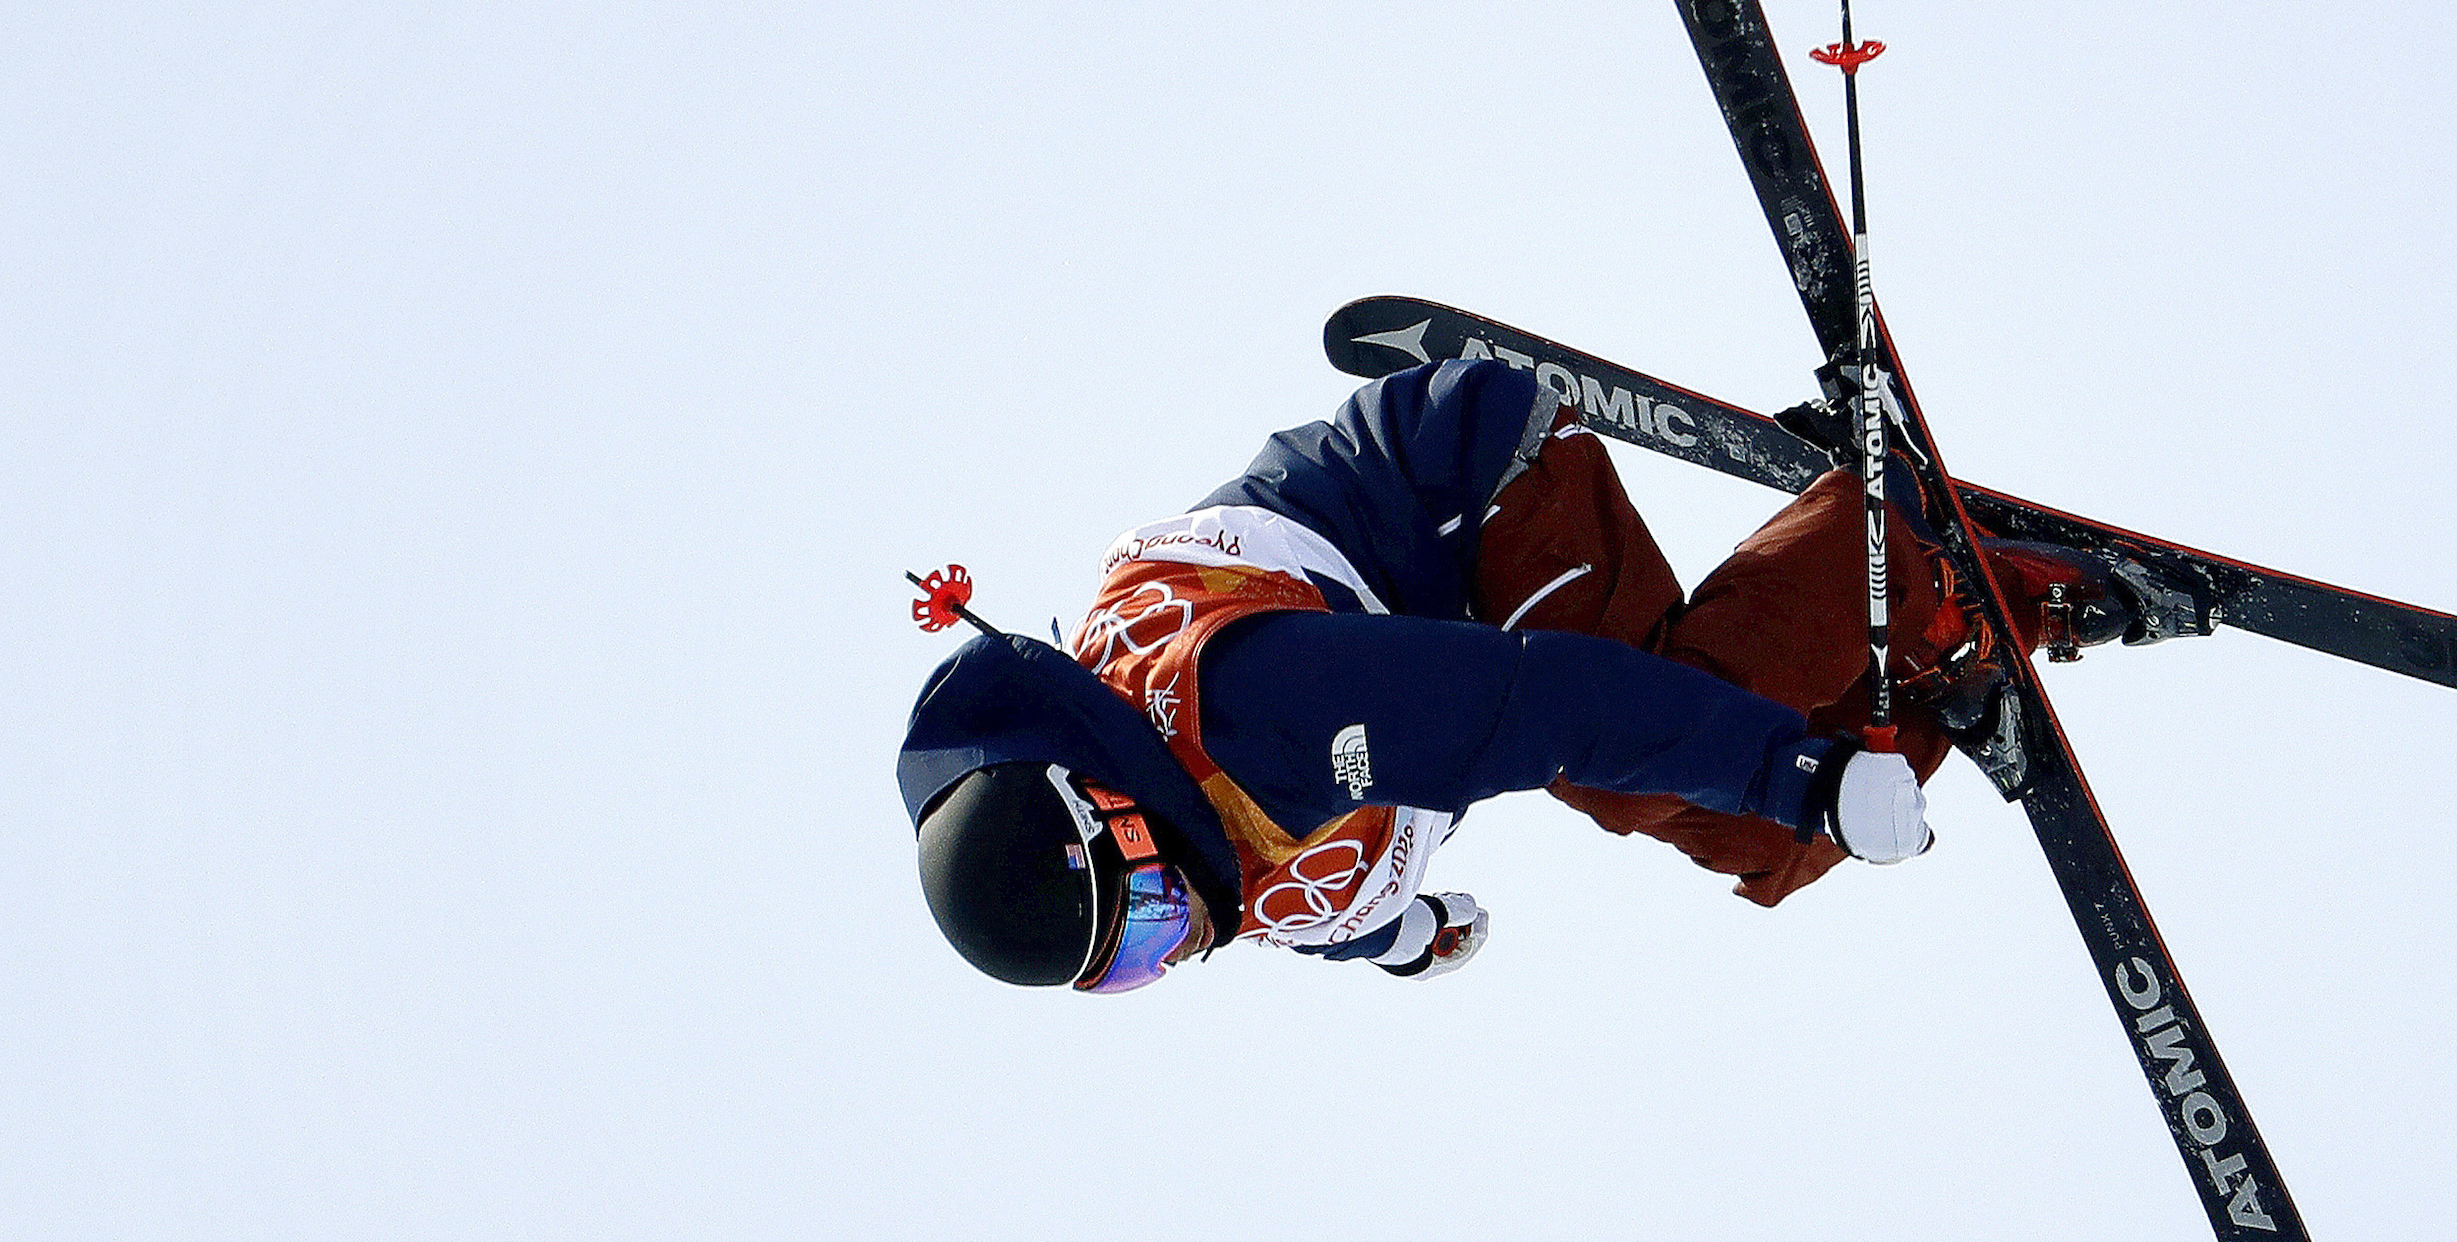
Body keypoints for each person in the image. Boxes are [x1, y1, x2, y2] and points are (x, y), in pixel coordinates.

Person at [896, 361, 2162, 993]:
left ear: (1113, 812)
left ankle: (1917, 567)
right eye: (1135, 970)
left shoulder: (1253, 716)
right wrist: (1410, 941)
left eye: (1149, 920)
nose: (1175, 951)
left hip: (1466, 488)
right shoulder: (1234, 885)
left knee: (1652, 752)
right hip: (1452, 621)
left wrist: (1805, 772)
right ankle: (1932, 674)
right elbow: (1329, 915)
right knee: (1745, 845)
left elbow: (1537, 704)